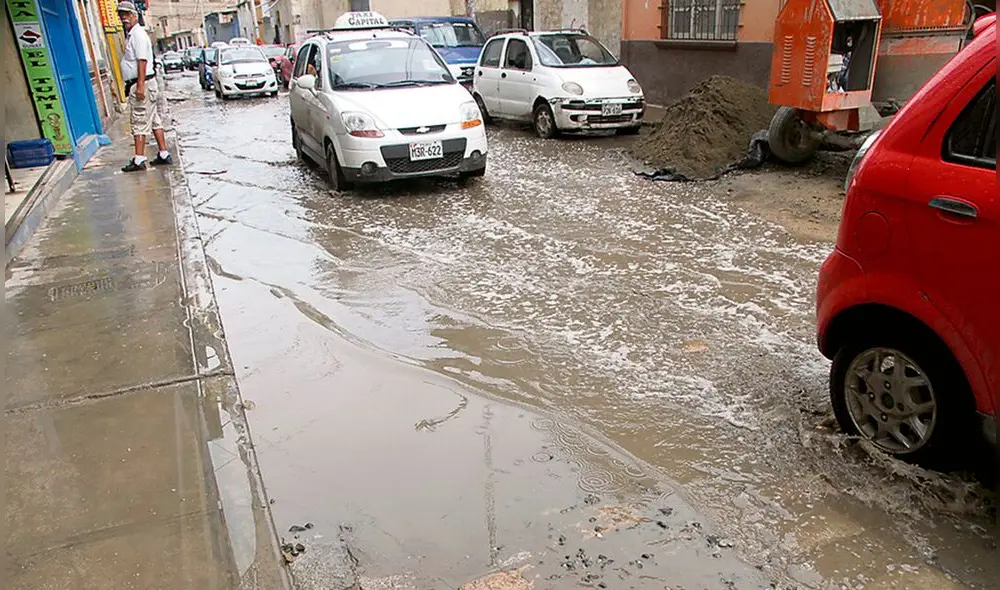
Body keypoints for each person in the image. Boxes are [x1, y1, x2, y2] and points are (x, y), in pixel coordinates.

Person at [117, 1, 171, 172]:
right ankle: (163, 154)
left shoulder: (138, 35)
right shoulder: (132, 35)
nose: (124, 18)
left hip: (143, 84)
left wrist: (140, 85)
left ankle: (139, 159)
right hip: (145, 83)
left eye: (127, 14)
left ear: (135, 15)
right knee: (154, 120)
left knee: (139, 121)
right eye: (121, 15)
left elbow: (142, 60)